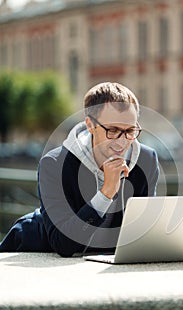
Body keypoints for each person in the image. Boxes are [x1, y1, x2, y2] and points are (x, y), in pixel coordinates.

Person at [0, 82, 159, 257]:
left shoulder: (147, 159)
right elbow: (63, 244)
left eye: (130, 130)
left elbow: (143, 231)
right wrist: (106, 193)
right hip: (35, 252)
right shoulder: (53, 164)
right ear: (90, 125)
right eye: (112, 130)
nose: (123, 141)